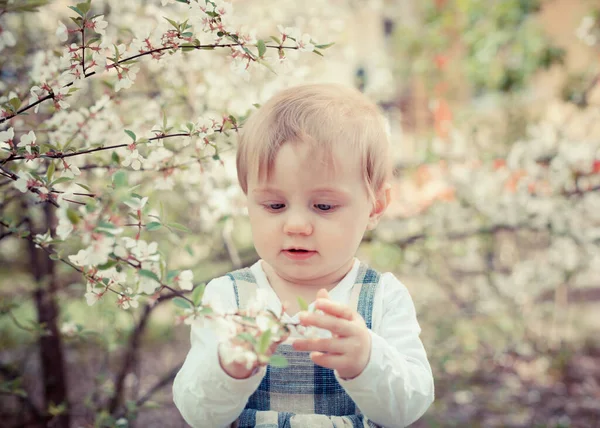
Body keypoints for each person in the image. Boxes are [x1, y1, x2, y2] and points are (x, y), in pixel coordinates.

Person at [172, 83, 434, 427]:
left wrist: (367, 360)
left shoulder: (383, 298)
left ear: (376, 206)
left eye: (324, 205)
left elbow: (409, 406)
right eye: (274, 205)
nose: (296, 225)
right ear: (248, 199)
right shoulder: (227, 299)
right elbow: (198, 414)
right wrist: (228, 367)